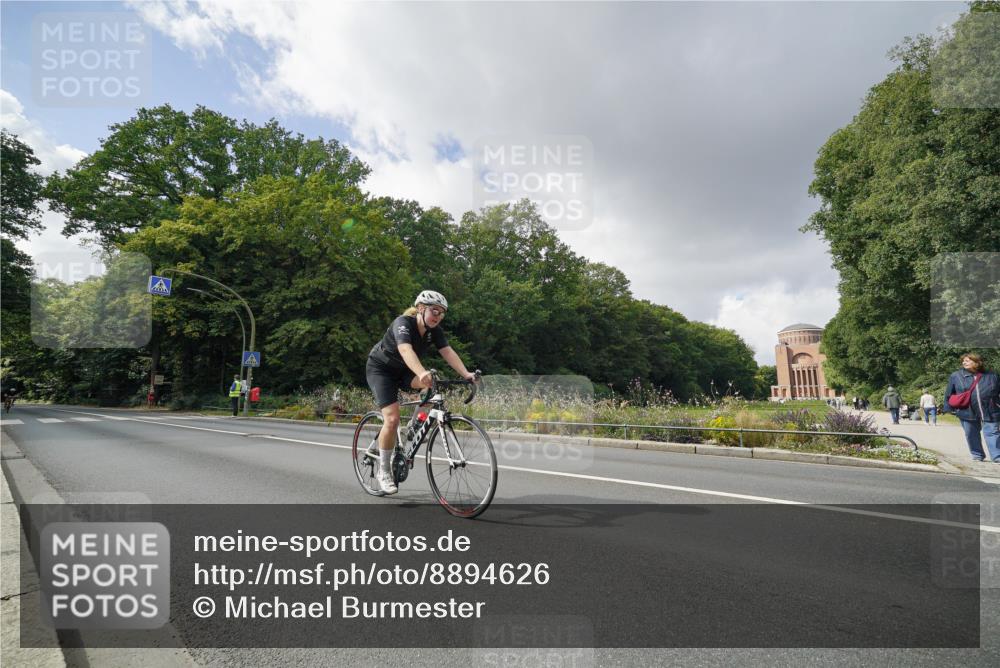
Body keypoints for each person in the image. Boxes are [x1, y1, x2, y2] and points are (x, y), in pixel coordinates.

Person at [366, 290, 477, 494]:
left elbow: (448, 352)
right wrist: (421, 372)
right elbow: (406, 350)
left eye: (442, 313)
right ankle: (384, 471)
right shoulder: (403, 323)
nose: (438, 316)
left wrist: (466, 374)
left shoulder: (434, 330)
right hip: (381, 370)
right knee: (391, 420)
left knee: (431, 384)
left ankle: (415, 425)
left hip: (404, 371)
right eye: (434, 311)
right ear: (420, 308)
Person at [943, 353, 1000, 463]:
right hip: (966, 410)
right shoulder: (956, 376)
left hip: (991, 409)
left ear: (977, 362)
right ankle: (977, 455)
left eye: (967, 361)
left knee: (993, 433)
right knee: (971, 433)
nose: (964, 363)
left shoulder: (992, 375)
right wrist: (948, 408)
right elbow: (949, 393)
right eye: (963, 361)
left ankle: (997, 456)